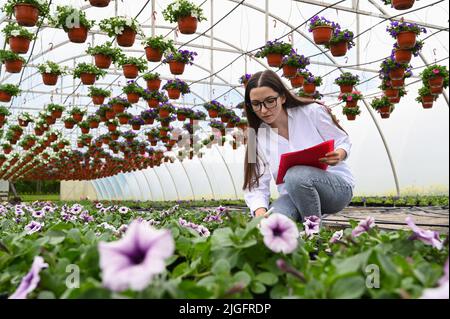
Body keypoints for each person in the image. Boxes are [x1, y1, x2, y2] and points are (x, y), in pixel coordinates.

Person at [242, 70, 355, 221]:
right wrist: (260, 212)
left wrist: (339, 153)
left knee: (295, 175)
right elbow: (255, 182)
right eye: (256, 104)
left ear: (282, 97)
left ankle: (314, 235)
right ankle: (299, 238)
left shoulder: (312, 111)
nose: (263, 110)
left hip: (336, 188)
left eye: (270, 101)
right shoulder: (254, 137)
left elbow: (342, 140)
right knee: (274, 222)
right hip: (292, 195)